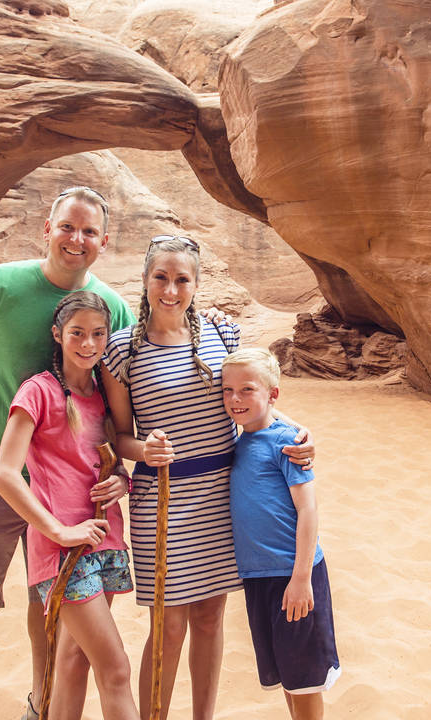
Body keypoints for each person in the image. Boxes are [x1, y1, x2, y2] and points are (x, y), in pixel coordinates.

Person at [0, 186, 134, 720]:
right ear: (48, 228)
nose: (76, 239)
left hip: (63, 489)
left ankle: (41, 707)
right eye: (67, 226)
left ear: (103, 241)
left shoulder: (111, 309)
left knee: (50, 600)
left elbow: (117, 403)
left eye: (89, 231)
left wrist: (123, 466)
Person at [100, 235, 314, 719]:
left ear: (196, 284)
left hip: (222, 495)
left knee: (211, 618)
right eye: (161, 277)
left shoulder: (223, 337)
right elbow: (118, 435)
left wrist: (299, 431)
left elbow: (255, 401)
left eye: (181, 280)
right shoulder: (121, 350)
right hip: (164, 498)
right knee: (168, 625)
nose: (170, 290)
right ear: (146, 279)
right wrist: (143, 450)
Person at [0, 292, 137, 720]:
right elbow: (4, 474)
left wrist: (120, 482)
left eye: (97, 334)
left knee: (75, 661)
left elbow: (110, 463)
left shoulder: (104, 397)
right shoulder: (37, 391)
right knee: (116, 670)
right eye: (77, 333)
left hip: (105, 540)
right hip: (64, 552)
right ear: (58, 335)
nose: (88, 344)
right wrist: (58, 531)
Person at [221, 348, 339, 720]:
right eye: (227, 390)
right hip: (259, 579)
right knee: (288, 677)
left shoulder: (287, 444)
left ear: (272, 394)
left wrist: (301, 577)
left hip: (294, 575)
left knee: (305, 681)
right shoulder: (239, 444)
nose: (235, 399)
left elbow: (308, 509)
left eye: (246, 389)